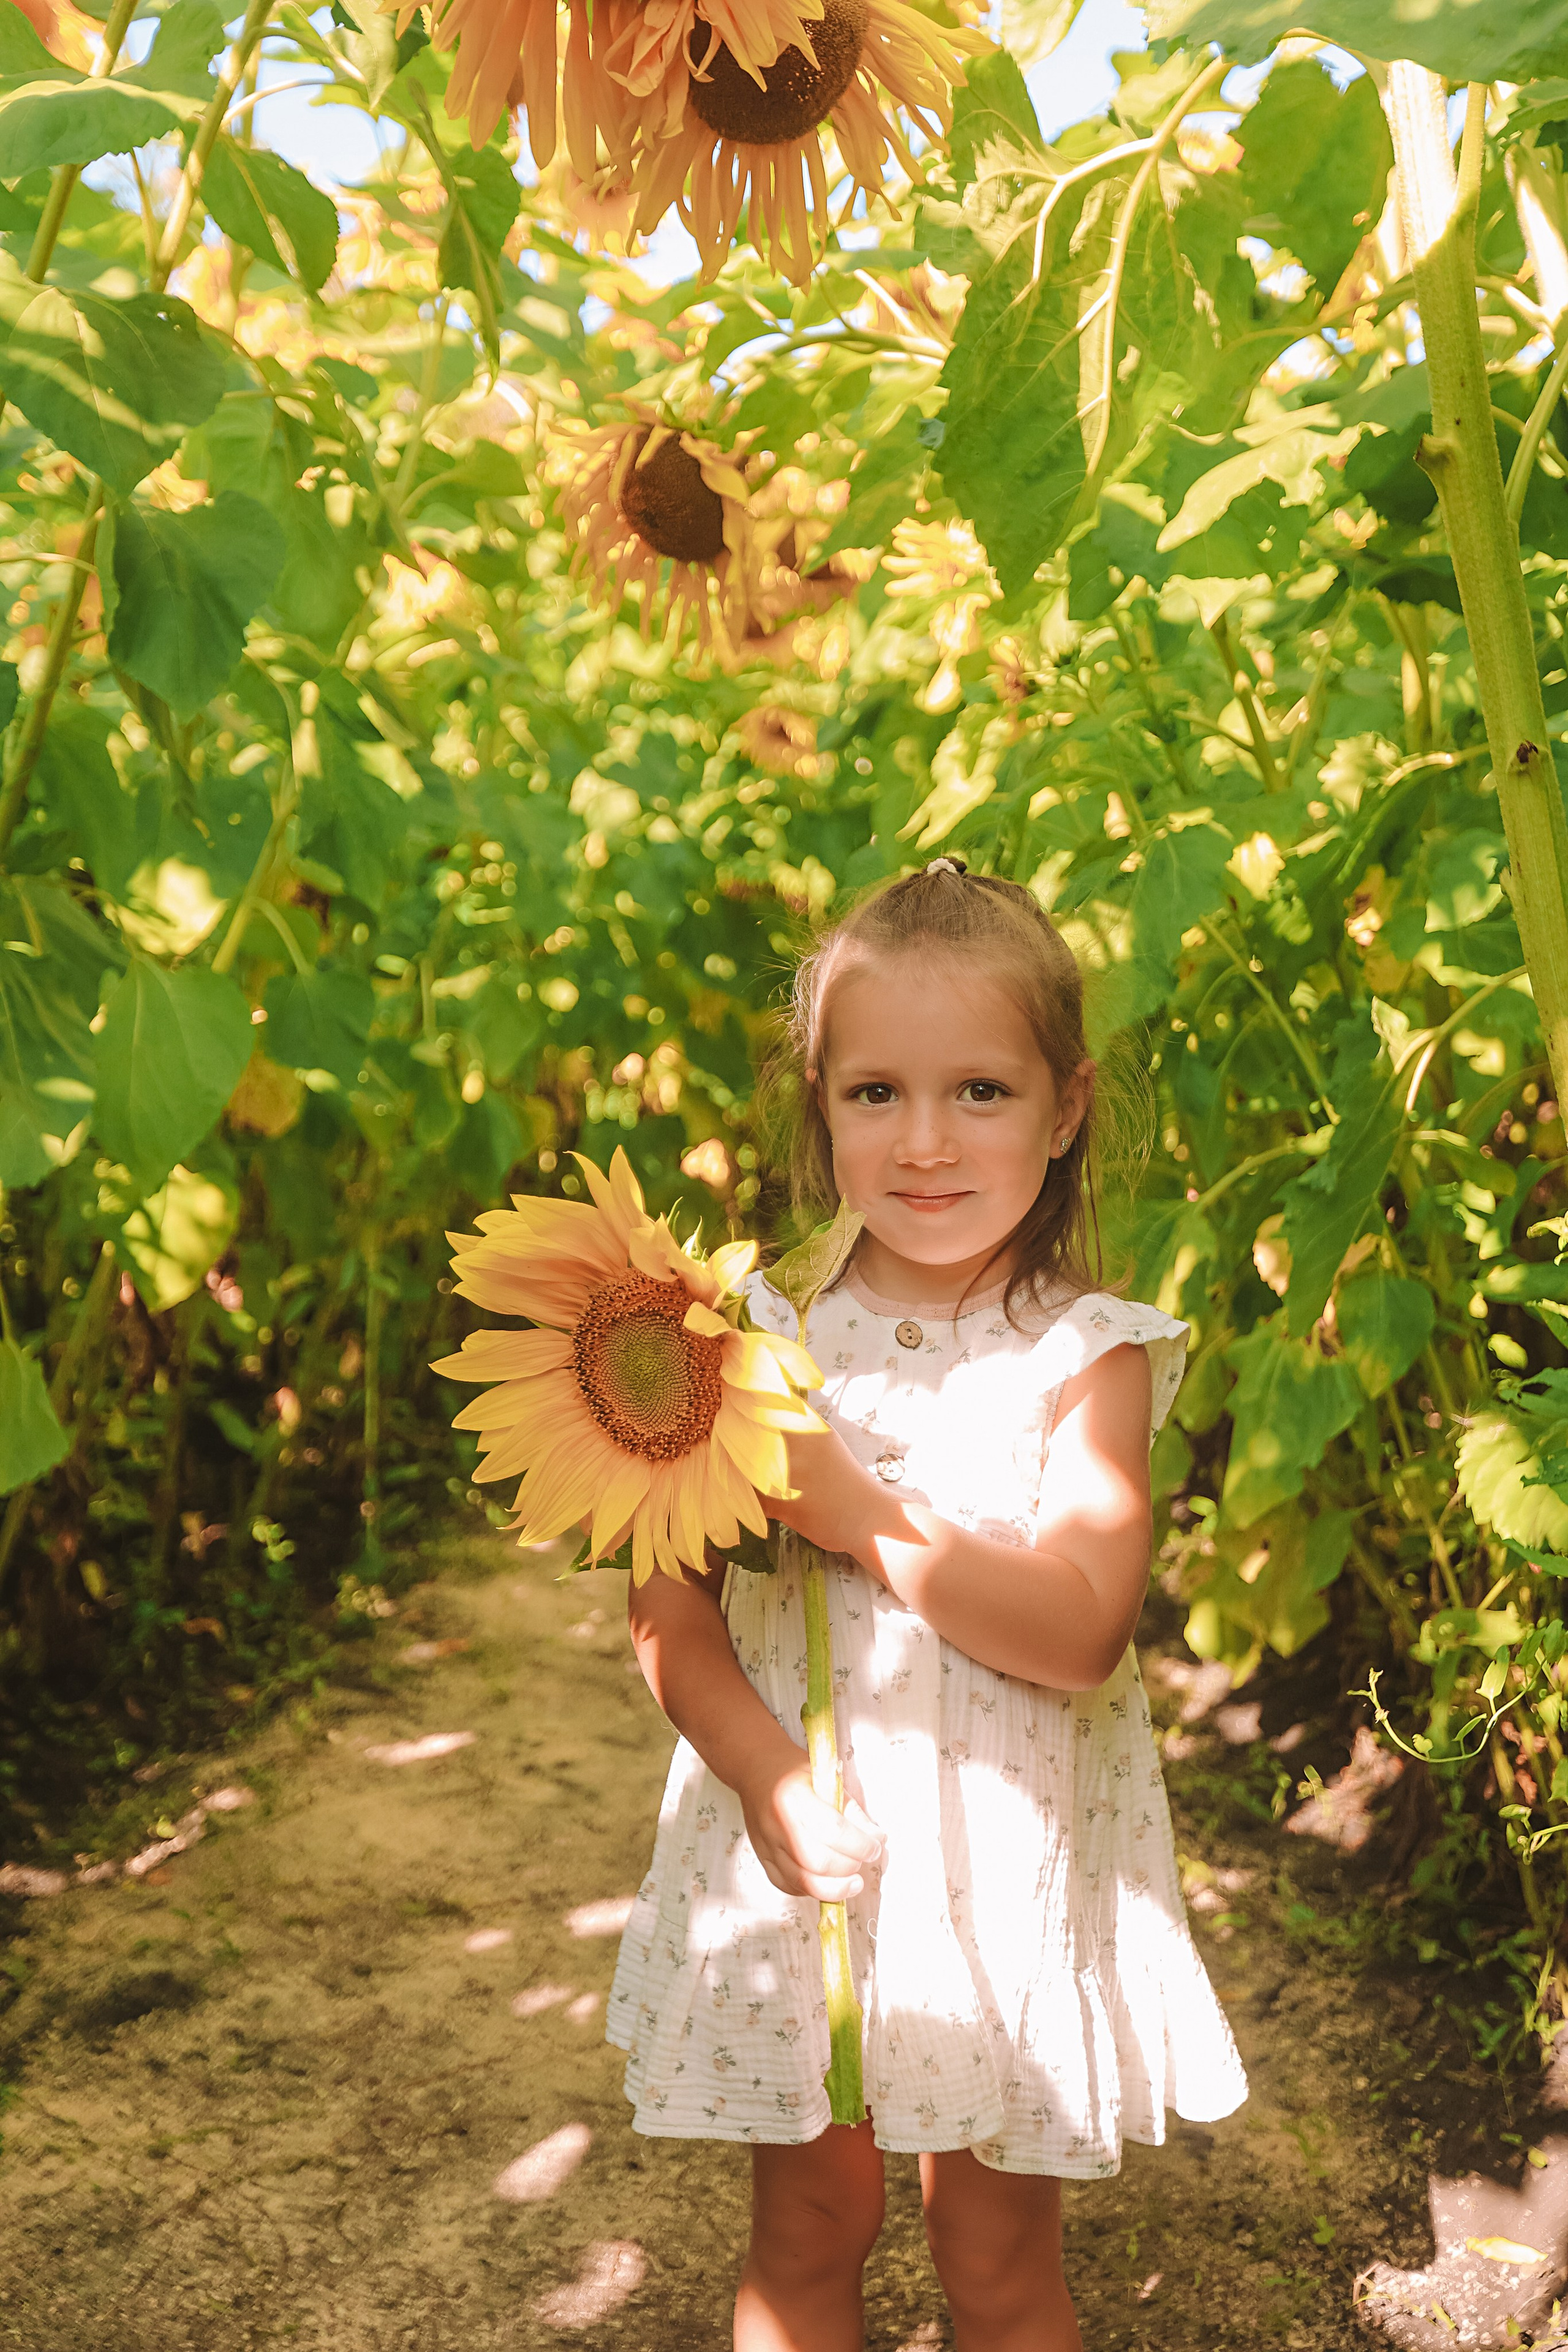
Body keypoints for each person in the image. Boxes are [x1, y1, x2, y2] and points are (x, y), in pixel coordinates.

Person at [608, 859, 1248, 2351]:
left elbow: (1081, 1625)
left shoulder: (1084, 1356)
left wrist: (858, 1511)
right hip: (803, 1858)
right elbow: (667, 1611)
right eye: (874, 1094)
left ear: (1064, 1106)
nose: (924, 1142)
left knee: (994, 2254)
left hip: (996, 1868)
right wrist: (764, 1775)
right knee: (809, 2224)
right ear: (817, 1102)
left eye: (978, 1092)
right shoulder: (743, 1339)